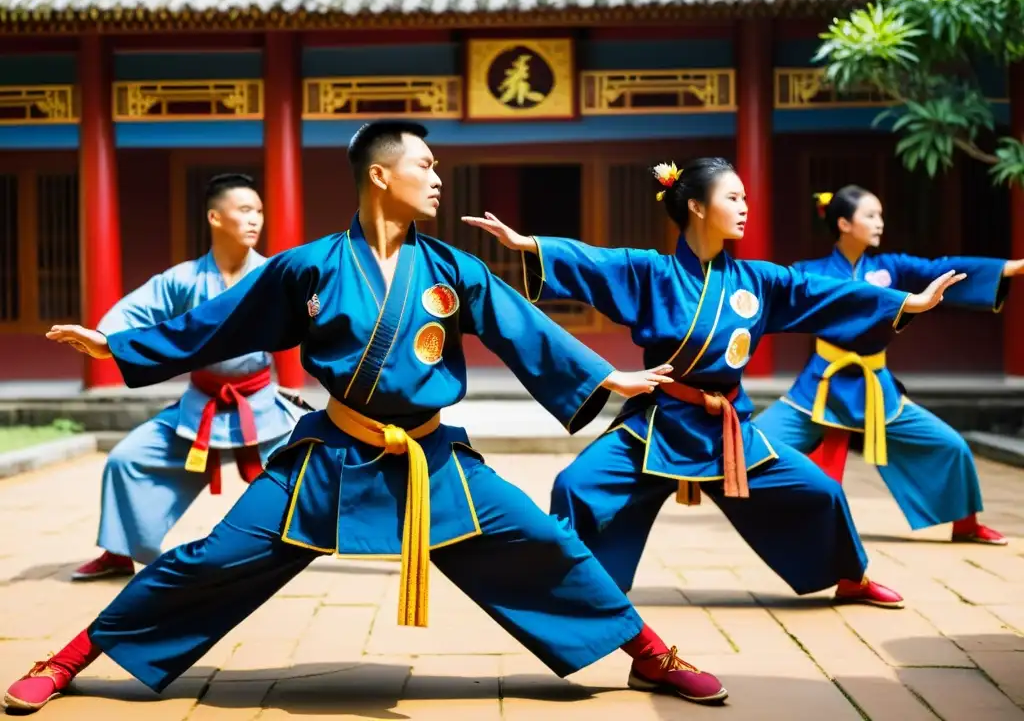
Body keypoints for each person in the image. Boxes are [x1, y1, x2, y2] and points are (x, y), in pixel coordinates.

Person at [5, 122, 730, 715]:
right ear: (381, 175)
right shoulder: (307, 267)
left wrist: (607, 375)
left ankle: (648, 656)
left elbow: (522, 328)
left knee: (544, 543)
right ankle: (70, 657)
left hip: (430, 460)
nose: (440, 176)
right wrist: (120, 345)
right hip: (331, 458)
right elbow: (220, 324)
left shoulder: (454, 268)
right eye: (426, 163)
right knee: (211, 562)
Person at [462, 157, 963, 610]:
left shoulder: (759, 281)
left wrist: (907, 303)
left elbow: (827, 294)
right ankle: (580, 592)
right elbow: (597, 260)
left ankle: (848, 576)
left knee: (818, 491)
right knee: (576, 486)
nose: (746, 207)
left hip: (727, 430)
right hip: (656, 425)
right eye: (734, 197)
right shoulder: (651, 272)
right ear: (698, 208)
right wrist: (528, 244)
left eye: (746, 197)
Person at [71, 174, 309, 581]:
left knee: (321, 468)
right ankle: (119, 551)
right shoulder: (183, 279)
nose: (256, 220)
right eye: (245, 210)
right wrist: (104, 339)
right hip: (200, 409)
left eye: (260, 212)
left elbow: (319, 319)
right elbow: (131, 313)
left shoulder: (275, 276)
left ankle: (363, 543)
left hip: (262, 407)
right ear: (215, 218)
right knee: (127, 459)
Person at [755, 185, 1022, 546]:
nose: (880, 223)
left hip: (875, 386)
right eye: (870, 215)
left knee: (951, 446)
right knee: (753, 443)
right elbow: (768, 293)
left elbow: (941, 269)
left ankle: (966, 524)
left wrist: (1009, 268)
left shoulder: (891, 267)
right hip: (820, 386)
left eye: (880, 215)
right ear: (845, 224)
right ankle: (774, 515)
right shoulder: (809, 272)